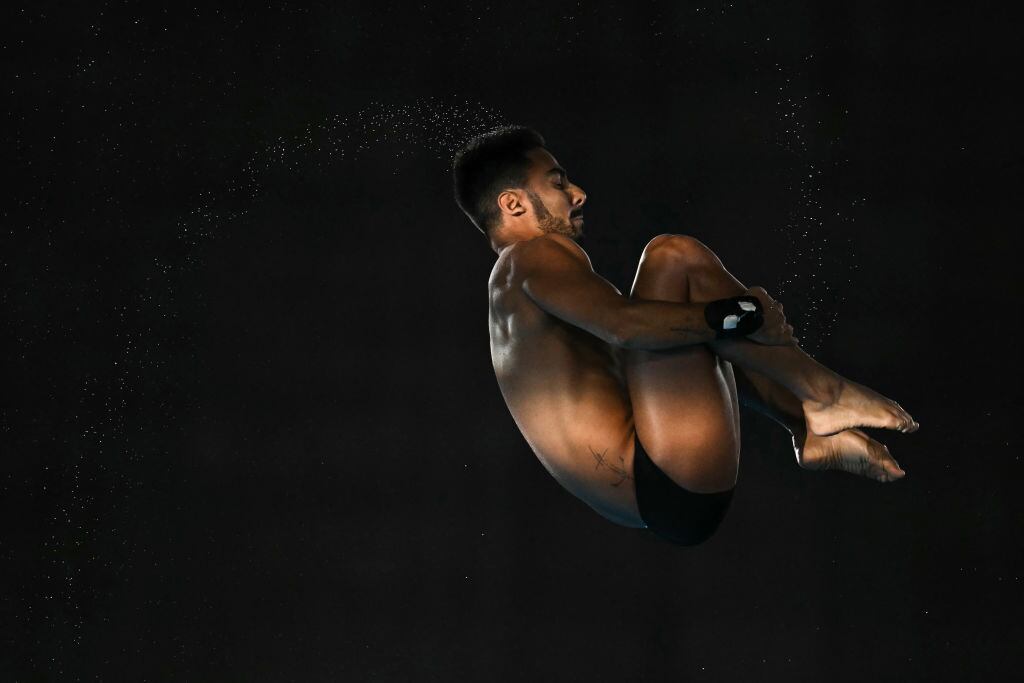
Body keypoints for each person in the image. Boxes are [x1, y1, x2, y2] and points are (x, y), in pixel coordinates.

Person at [451, 125, 918, 546]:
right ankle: (822, 394)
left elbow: (671, 345)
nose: (577, 193)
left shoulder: (518, 294)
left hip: (658, 498)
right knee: (673, 257)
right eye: (556, 182)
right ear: (512, 203)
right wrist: (747, 312)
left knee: (676, 321)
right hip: (660, 475)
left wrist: (730, 321)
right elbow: (626, 326)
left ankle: (805, 420)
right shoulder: (529, 257)